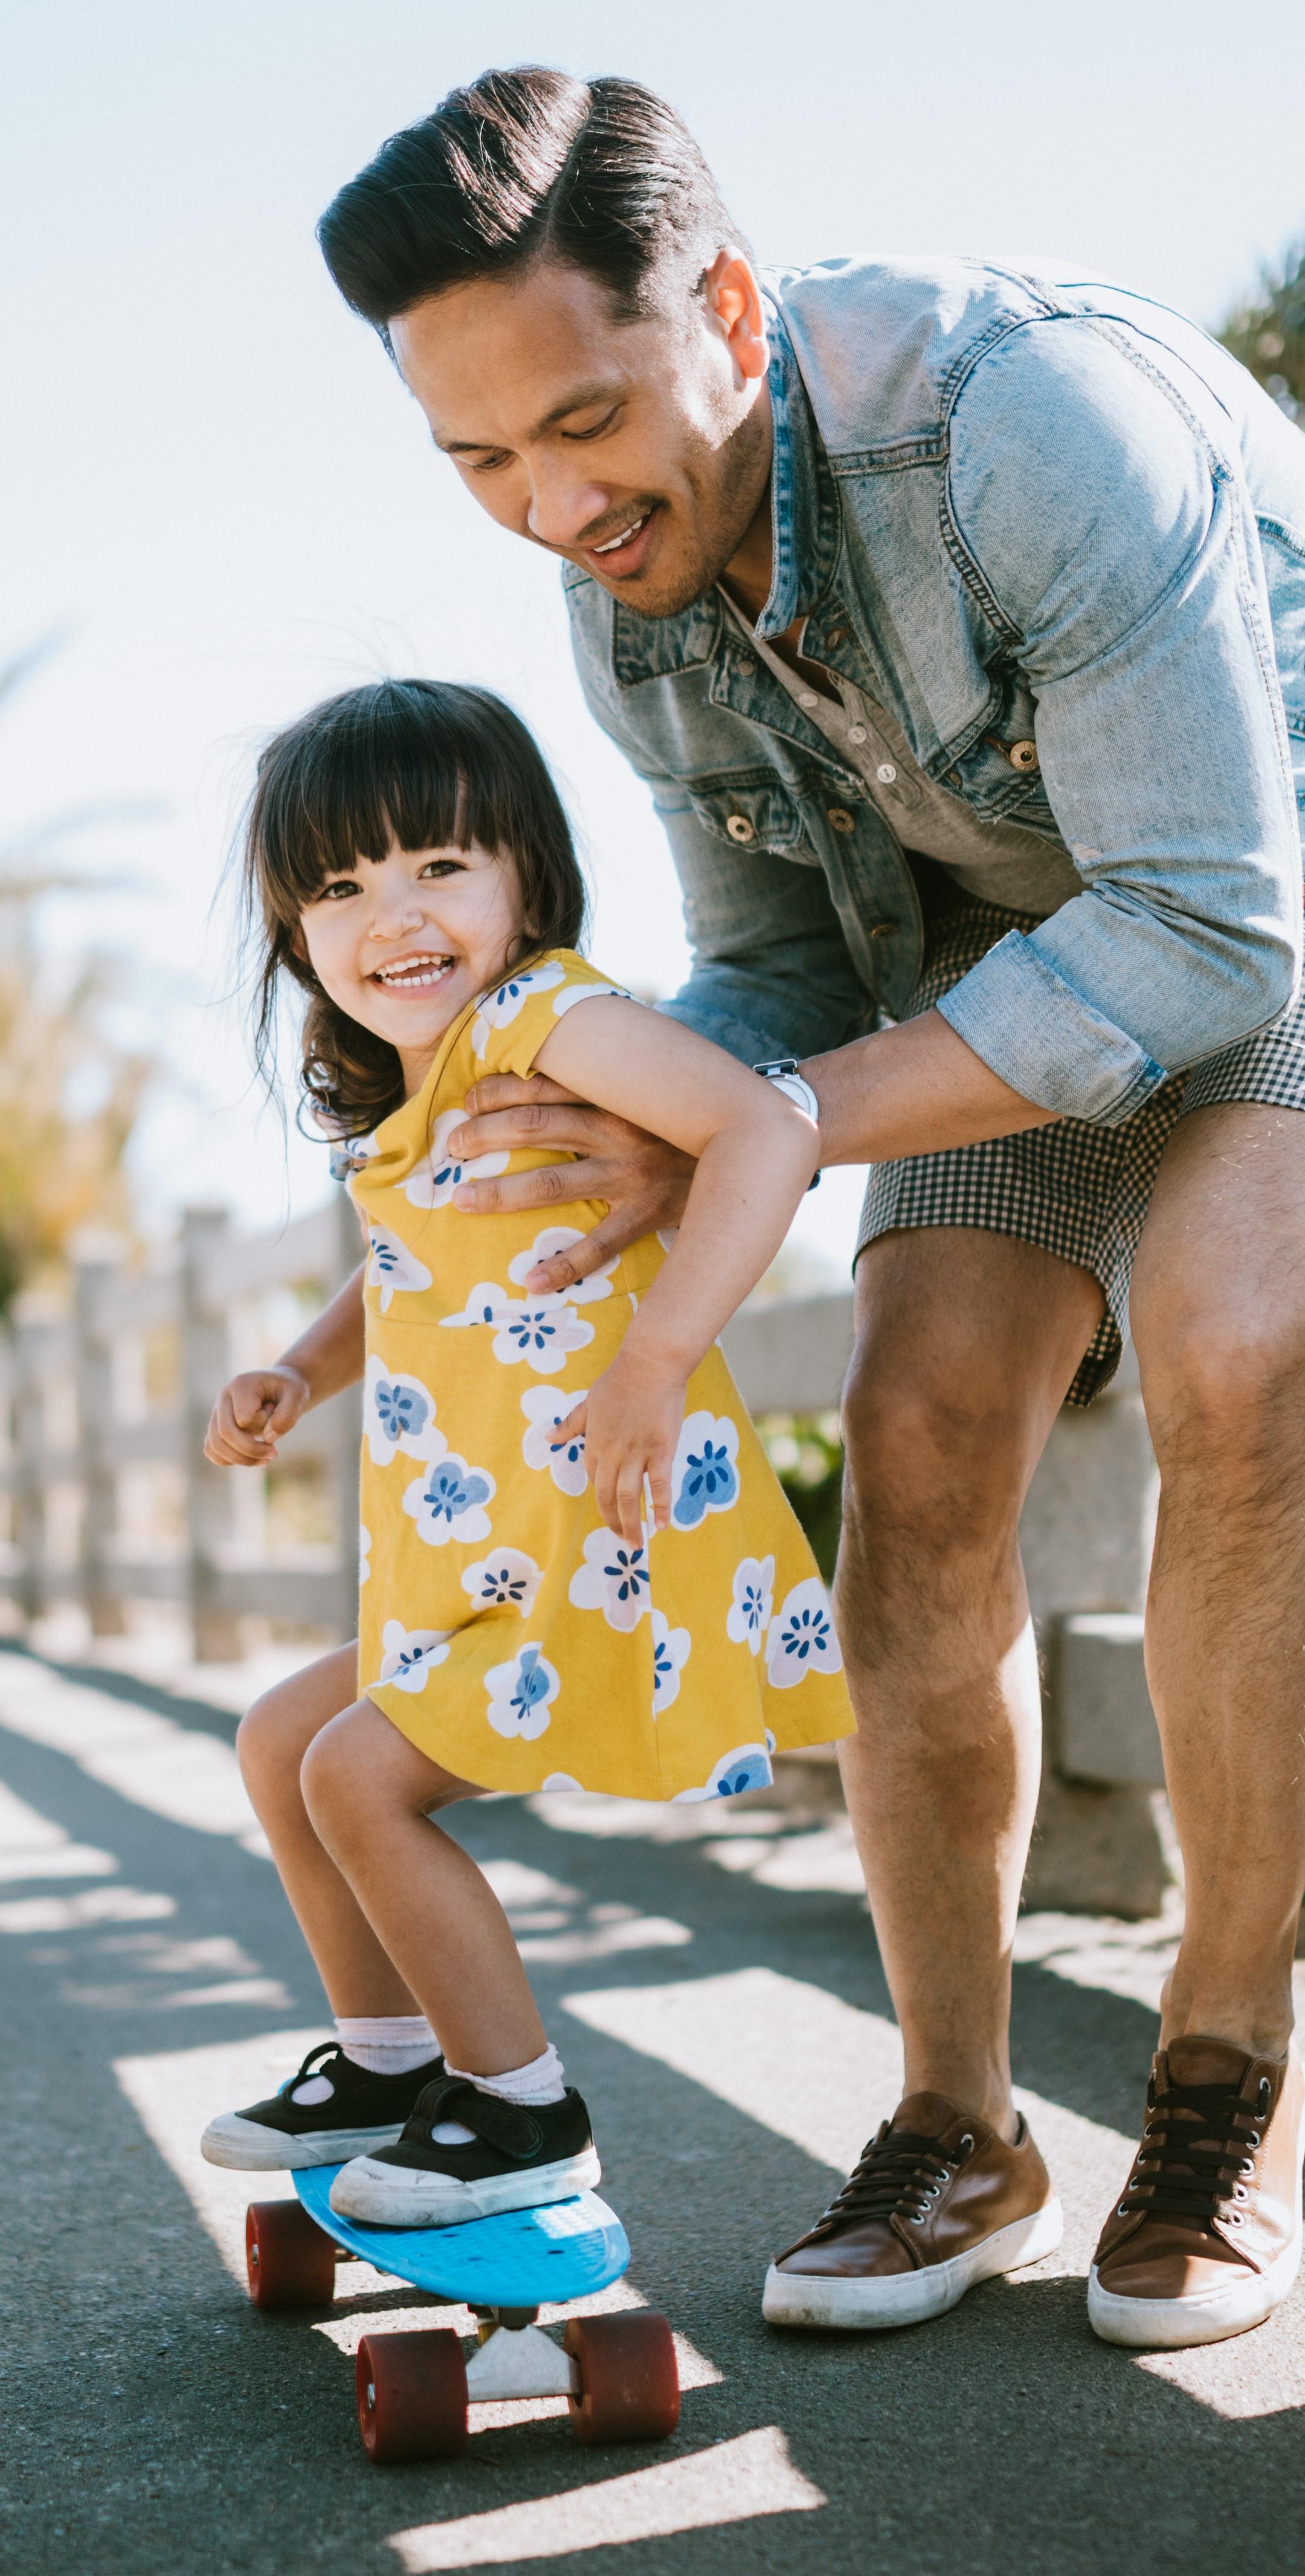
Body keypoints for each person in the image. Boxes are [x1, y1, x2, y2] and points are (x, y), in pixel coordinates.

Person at [308, 74, 1305, 2340]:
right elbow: (782, 969)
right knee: (921, 1426)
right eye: (479, 466)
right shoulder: (622, 603)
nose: (553, 506)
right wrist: (675, 1102)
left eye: (584, 421)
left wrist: (760, 1118)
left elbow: (1210, 933)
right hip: (1006, 944)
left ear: (725, 303)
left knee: (1228, 1335)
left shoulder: (1019, 416)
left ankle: (1228, 2069)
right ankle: (961, 2123)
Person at [198, 677, 851, 2226]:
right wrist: (299, 1364)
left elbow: (765, 1129)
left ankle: (518, 2108)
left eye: (439, 863)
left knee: (362, 1777)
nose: (394, 914)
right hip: (484, 1550)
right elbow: (415, 1263)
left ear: (525, 875)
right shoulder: (426, 1085)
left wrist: (659, 1354)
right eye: (341, 885)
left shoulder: (545, 1015)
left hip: (596, 1530)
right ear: (296, 932)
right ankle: (386, 2058)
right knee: (285, 1741)